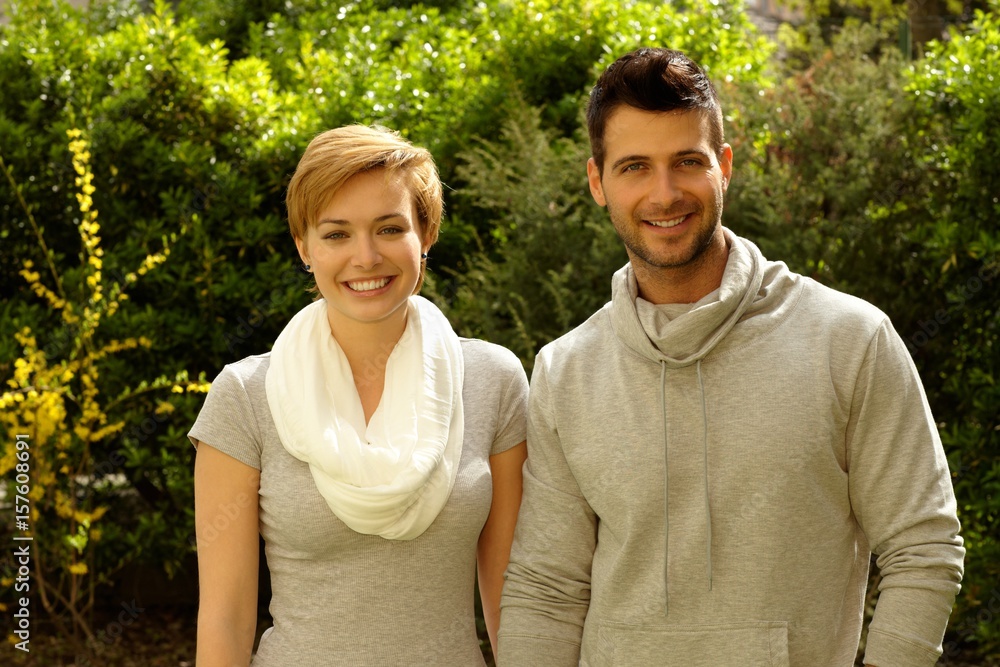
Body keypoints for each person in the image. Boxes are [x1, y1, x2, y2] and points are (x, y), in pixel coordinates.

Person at [498, 48, 964, 667]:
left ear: (724, 166)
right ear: (597, 182)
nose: (664, 194)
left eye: (687, 162)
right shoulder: (566, 369)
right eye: (635, 167)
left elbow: (923, 547)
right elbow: (547, 590)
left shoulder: (848, 339)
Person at [190, 125, 528, 666]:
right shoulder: (245, 397)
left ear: (427, 234)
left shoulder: (494, 379)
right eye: (336, 234)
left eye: (390, 228)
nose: (366, 257)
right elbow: (225, 619)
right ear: (304, 247)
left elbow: (515, 601)